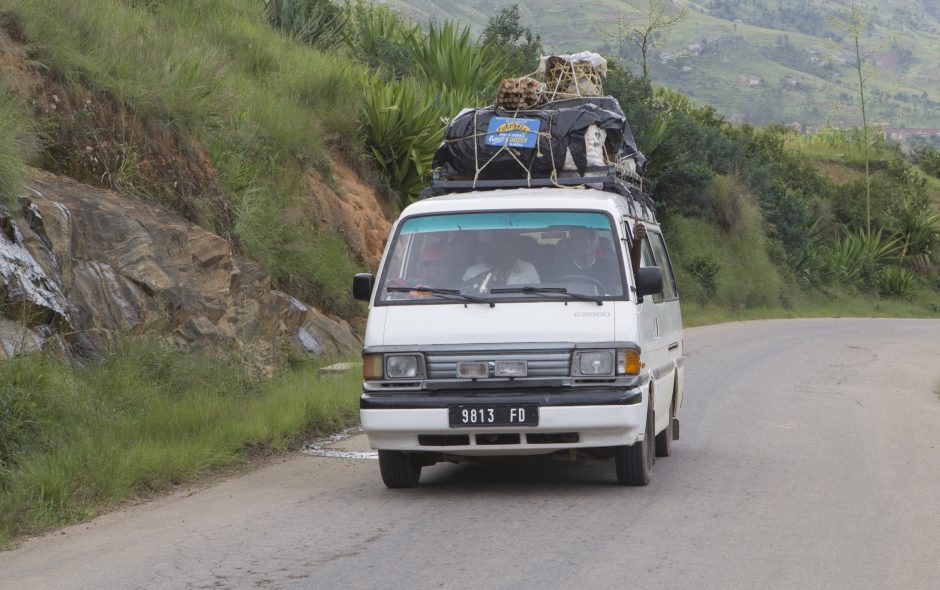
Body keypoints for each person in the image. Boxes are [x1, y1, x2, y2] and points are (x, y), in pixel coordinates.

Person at [462, 232, 540, 288]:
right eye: (499, 244)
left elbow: (537, 296)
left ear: (515, 248)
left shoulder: (529, 268)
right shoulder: (473, 272)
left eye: (508, 244)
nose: (503, 249)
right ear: (491, 248)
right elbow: (465, 296)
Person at [553, 228, 620, 292]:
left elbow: (615, 293)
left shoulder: (609, 267)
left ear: (598, 242)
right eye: (582, 238)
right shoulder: (561, 267)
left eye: (592, 237)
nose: (587, 242)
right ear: (573, 242)